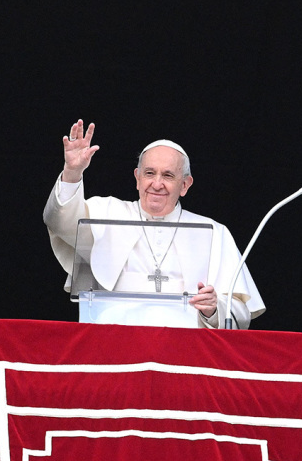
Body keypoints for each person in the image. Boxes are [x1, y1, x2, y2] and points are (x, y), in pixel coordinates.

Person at [44, 119, 265, 329]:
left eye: (168, 175)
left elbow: (239, 312)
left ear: (185, 185)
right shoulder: (107, 213)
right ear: (137, 178)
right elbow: (60, 221)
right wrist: (72, 173)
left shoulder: (215, 233)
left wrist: (214, 309)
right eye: (149, 173)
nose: (156, 184)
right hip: (115, 342)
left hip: (186, 349)